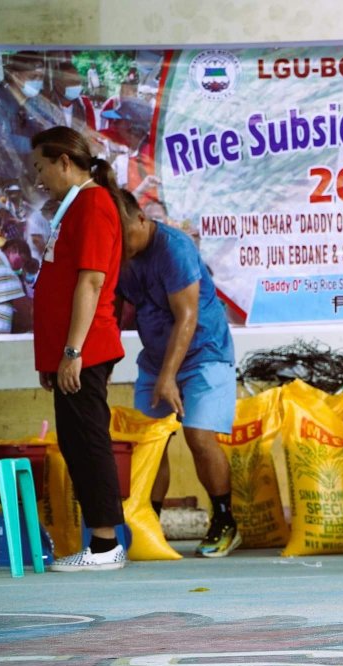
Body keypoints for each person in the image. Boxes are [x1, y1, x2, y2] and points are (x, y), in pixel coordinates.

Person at [115, 190, 241, 558]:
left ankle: (224, 521)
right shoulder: (122, 256)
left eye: (126, 235)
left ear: (141, 218)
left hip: (205, 353)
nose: (122, 246)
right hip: (155, 359)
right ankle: (147, 522)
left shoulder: (174, 248)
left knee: (199, 437)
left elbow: (187, 317)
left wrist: (168, 377)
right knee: (150, 443)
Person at [30, 126, 127, 571]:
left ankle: (106, 545)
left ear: (64, 162)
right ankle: (101, 543)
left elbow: (91, 281)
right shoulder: (75, 208)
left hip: (85, 350)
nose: (39, 177)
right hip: (70, 352)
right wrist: (53, 356)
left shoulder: (92, 205)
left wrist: (71, 352)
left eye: (41, 167)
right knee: (74, 440)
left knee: (88, 440)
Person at [0, 51, 61, 192]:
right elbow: (3, 142)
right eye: (33, 77)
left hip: (35, 174)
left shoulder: (35, 101)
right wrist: (41, 144)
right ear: (15, 75)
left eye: (40, 77)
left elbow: (54, 126)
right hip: (4, 180)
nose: (38, 82)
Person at [47, 60, 98, 133]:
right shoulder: (45, 104)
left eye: (78, 81)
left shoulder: (84, 103)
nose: (77, 84)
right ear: (57, 84)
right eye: (71, 81)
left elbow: (92, 134)